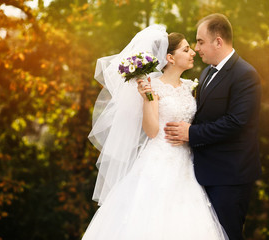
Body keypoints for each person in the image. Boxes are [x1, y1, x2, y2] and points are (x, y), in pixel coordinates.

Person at [84, 25, 228, 240]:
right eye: (186, 49)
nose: (192, 53)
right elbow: (151, 131)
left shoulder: (190, 87)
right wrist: (147, 98)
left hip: (187, 164)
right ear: (170, 57)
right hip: (158, 161)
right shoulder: (153, 87)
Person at [164, 14, 262, 239]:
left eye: (200, 42)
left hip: (230, 177)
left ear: (218, 41)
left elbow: (236, 122)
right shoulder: (207, 72)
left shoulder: (245, 75)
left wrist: (191, 133)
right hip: (201, 175)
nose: (197, 48)